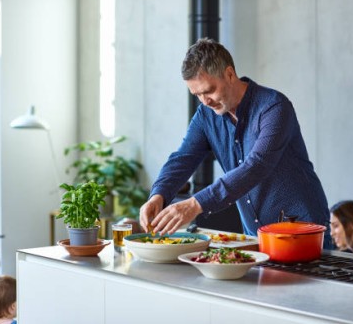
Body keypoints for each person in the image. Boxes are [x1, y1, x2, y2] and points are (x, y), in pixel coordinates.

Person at [139, 38, 332, 249]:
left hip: (303, 231)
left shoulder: (274, 108)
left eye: (209, 90)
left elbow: (256, 166)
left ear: (230, 74)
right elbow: (182, 158)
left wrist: (195, 204)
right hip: (255, 236)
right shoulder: (206, 116)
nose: (205, 101)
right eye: (197, 95)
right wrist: (158, 195)